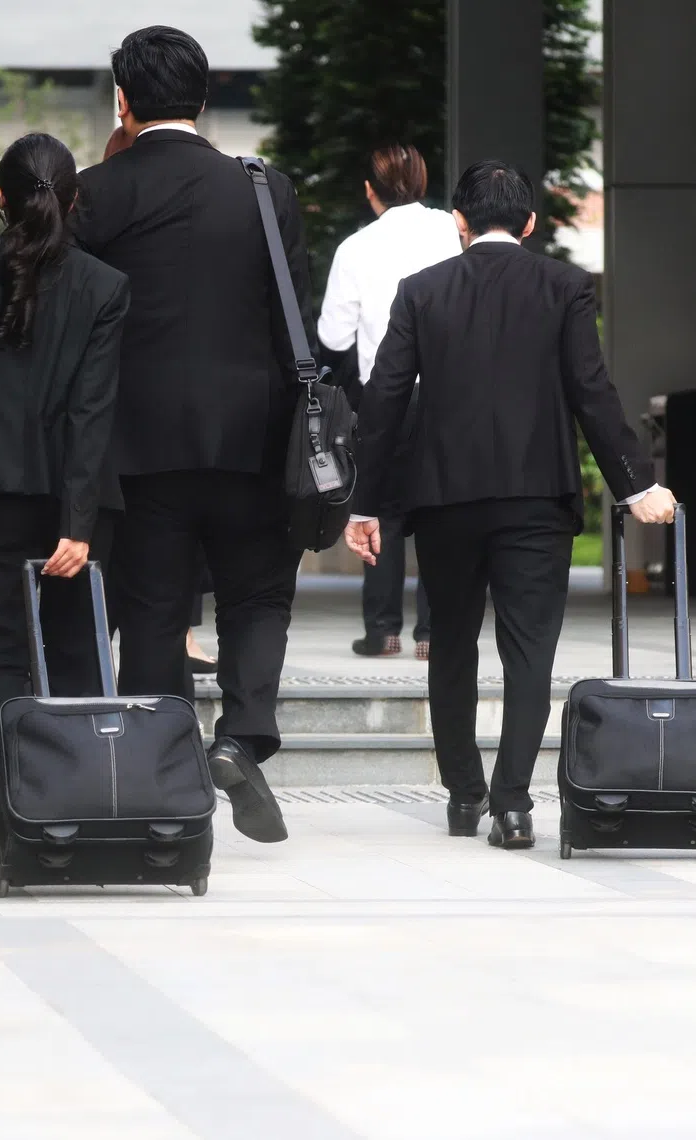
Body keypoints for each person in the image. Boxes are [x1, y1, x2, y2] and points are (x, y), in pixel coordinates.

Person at [344, 159, 676, 851]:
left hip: (444, 499)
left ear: (458, 224)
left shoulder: (421, 290)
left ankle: (464, 796)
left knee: (453, 646)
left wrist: (365, 504)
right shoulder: (562, 285)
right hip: (536, 496)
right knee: (530, 652)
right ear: (528, 223)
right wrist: (638, 485)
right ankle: (515, 804)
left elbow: (383, 400)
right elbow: (591, 390)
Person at [73, 26, 316, 844]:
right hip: (253, 431)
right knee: (257, 594)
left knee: (151, 605)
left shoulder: (93, 195)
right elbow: (297, 321)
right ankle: (242, 739)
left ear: (123, 100)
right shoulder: (263, 188)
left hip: (137, 442)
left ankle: (157, 779)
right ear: (204, 99)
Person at [0, 132, 129, 767]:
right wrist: (78, 523)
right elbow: (91, 411)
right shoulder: (104, 286)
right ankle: (71, 808)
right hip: (73, 502)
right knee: (76, 651)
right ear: (73, 201)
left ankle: (7, 818)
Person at [318, 144, 461, 661]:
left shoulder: (357, 247)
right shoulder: (452, 231)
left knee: (381, 508)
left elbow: (333, 334)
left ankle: (382, 631)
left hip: (385, 391)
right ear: (422, 182)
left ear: (369, 191)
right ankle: (432, 633)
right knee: (441, 509)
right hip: (449, 389)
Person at [101, 122, 217, 677]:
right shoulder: (234, 196)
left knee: (136, 573)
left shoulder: (103, 196)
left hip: (117, 429)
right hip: (193, 429)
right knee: (164, 575)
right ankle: (178, 648)